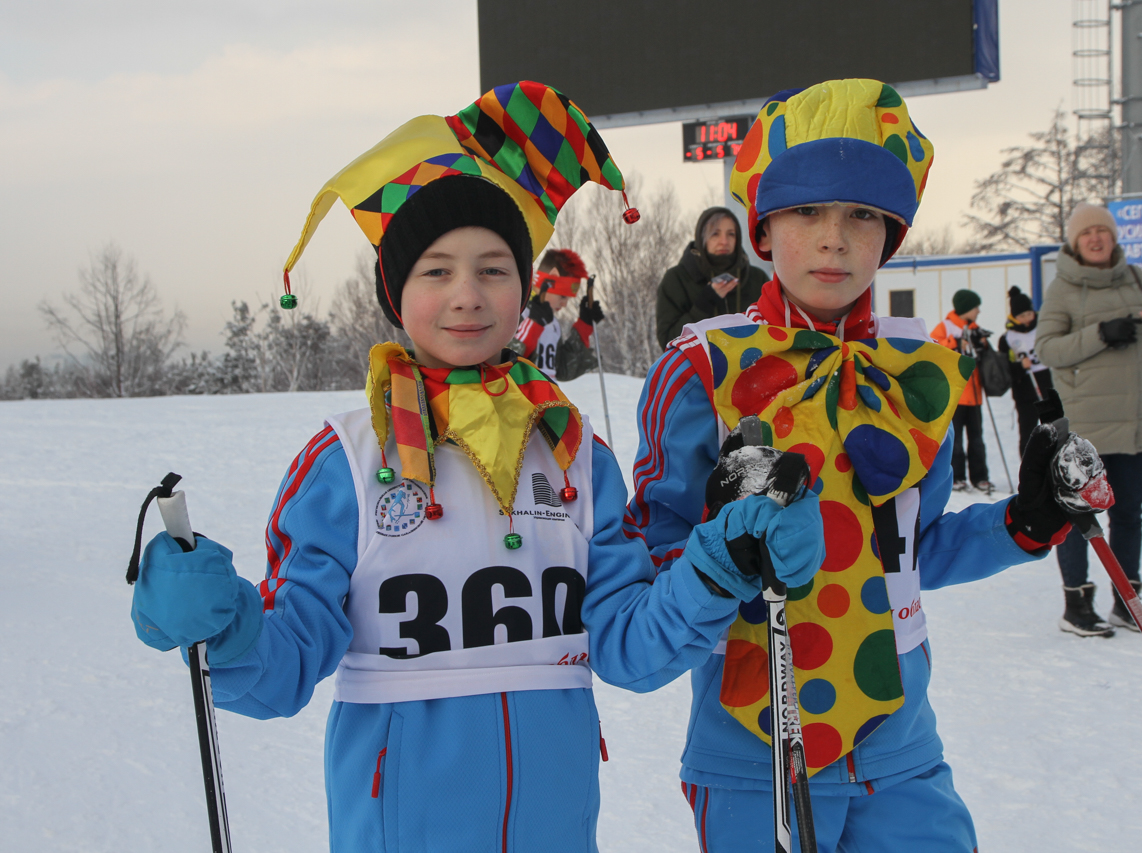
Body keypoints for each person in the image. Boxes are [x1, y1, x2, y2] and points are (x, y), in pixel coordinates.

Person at [126, 82, 824, 853]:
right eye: (436, 271)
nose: (467, 295)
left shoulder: (572, 454)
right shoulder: (348, 460)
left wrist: (719, 564)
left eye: (494, 269)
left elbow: (629, 641)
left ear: (523, 286)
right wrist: (221, 624)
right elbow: (287, 660)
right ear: (396, 292)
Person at [630, 79, 1087, 853]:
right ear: (765, 229)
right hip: (754, 745)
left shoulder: (920, 370)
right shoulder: (703, 364)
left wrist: (1024, 523)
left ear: (892, 234)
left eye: (862, 215)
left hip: (900, 739)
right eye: (808, 210)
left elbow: (912, 550)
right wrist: (722, 556)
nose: (834, 237)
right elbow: (651, 557)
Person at [1037, 202, 1142, 637]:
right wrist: (1102, 333)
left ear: (1114, 237)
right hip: (1088, 425)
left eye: (1103, 231)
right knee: (1080, 516)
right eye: (1087, 234)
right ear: (1074, 243)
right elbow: (1048, 349)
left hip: (1137, 421)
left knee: (1130, 514)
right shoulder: (1063, 288)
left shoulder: (1136, 278)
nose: (1096, 239)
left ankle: (1127, 602)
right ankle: (1077, 604)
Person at [655, 206, 769, 347]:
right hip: (700, 368)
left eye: (731, 234)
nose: (724, 241)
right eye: (715, 234)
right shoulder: (677, 279)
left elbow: (775, 329)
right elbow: (668, 341)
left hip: (754, 367)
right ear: (702, 238)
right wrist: (706, 302)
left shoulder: (757, 278)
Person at [931, 290, 992, 494]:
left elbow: (984, 358)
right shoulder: (945, 327)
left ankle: (980, 476)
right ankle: (957, 476)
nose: (979, 311)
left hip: (974, 395)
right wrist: (955, 343)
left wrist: (983, 345)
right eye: (976, 307)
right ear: (967, 308)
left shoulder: (975, 329)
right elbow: (932, 348)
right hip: (955, 395)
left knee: (977, 438)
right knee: (955, 440)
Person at [513, 248, 604, 381]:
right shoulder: (517, 312)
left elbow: (562, 370)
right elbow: (504, 364)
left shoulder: (552, 323)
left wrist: (583, 327)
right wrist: (534, 324)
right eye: (562, 297)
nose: (565, 304)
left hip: (548, 399)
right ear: (549, 281)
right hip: (520, 399)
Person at [998, 285, 1055, 454]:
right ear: (1015, 317)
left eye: (1029, 313)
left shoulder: (1043, 329)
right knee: (1028, 431)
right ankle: (1029, 468)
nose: (1027, 318)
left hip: (1046, 384)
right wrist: (1020, 367)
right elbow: (1004, 368)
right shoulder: (1008, 338)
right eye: (1022, 316)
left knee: (1053, 428)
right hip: (1024, 389)